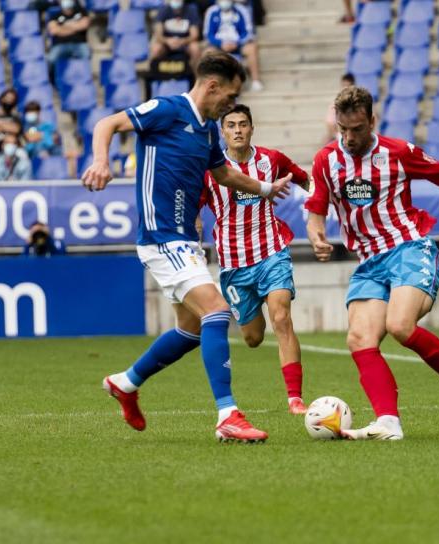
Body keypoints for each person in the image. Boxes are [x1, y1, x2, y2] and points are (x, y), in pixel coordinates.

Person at [81, 51, 292, 442]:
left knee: (191, 329)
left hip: (184, 240)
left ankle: (125, 383)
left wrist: (265, 188)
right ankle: (228, 414)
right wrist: (101, 162)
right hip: (160, 237)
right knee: (217, 310)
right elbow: (107, 123)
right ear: (212, 86)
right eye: (229, 97)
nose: (231, 105)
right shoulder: (167, 109)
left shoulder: (209, 130)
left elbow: (225, 173)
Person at [305, 86, 439, 440]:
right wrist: (317, 235)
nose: (349, 138)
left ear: (372, 121)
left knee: (399, 325)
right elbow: (316, 210)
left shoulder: (398, 152)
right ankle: (389, 422)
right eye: (343, 130)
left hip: (409, 248)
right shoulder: (326, 160)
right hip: (369, 261)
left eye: (356, 129)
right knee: (359, 338)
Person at [202, 104, 310, 415]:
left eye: (243, 124)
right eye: (231, 125)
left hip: (271, 252)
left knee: (282, 317)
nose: (237, 130)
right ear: (222, 132)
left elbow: (304, 179)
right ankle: (251, 323)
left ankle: (295, 398)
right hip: (234, 263)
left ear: (252, 128)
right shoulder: (210, 169)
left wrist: (321, 205)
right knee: (252, 337)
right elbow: (195, 210)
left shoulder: (271, 160)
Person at [204, 0, 264, 91]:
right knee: (207, 52)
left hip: (238, 44)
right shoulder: (211, 11)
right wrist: (220, 43)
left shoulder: (242, 10)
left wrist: (237, 43)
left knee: (252, 48)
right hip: (219, 46)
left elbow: (248, 32)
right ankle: (207, 84)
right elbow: (208, 35)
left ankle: (256, 81)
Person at [150, 0, 202, 74]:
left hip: (185, 42)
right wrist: (168, 41)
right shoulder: (163, 9)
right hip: (167, 43)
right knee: (156, 49)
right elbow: (158, 34)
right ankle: (155, 77)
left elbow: (194, 35)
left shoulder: (191, 9)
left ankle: (196, 78)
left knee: (195, 48)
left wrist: (182, 41)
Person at [47, 0, 91, 79]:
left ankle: (84, 80)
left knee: (86, 54)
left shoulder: (81, 12)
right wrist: (75, 27)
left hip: (79, 43)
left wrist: (63, 27)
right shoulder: (55, 15)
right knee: (51, 59)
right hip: (60, 45)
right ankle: (52, 81)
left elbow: (84, 25)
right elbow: (54, 31)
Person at [325, 73, 355, 143]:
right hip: (339, 138)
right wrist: (338, 136)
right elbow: (330, 124)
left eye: (348, 86)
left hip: (355, 138)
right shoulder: (335, 104)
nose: (345, 89)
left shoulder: (360, 104)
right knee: (326, 141)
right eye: (343, 86)